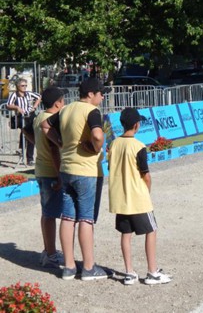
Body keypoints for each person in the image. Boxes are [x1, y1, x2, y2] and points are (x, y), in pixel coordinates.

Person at [41, 77, 111, 281]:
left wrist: (61, 143)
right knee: (86, 219)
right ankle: (89, 267)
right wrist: (95, 147)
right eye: (100, 92)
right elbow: (98, 135)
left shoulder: (66, 109)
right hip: (86, 171)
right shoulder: (92, 111)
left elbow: (46, 125)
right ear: (90, 94)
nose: (102, 96)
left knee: (68, 217)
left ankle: (69, 267)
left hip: (66, 168)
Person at [108, 107, 172, 286]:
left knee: (125, 234)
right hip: (137, 197)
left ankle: (129, 272)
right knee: (151, 231)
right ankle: (152, 271)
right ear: (136, 125)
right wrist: (147, 190)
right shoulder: (138, 146)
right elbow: (146, 175)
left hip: (120, 197)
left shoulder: (114, 144)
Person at [23, 87, 67, 268]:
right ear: (57, 103)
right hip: (50, 171)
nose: (64, 104)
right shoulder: (50, 121)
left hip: (41, 169)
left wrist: (38, 145)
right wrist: (59, 175)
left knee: (46, 213)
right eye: (63, 101)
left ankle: (49, 249)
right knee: (50, 214)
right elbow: (55, 150)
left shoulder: (38, 118)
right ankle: (50, 253)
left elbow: (25, 131)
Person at [6, 78, 42, 165]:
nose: (24, 87)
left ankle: (29, 158)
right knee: (25, 133)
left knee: (29, 135)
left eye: (26, 85)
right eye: (22, 85)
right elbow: (8, 105)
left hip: (30, 116)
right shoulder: (14, 95)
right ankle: (22, 150)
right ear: (18, 86)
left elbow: (39, 97)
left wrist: (34, 106)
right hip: (21, 117)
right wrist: (17, 107)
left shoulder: (29, 93)